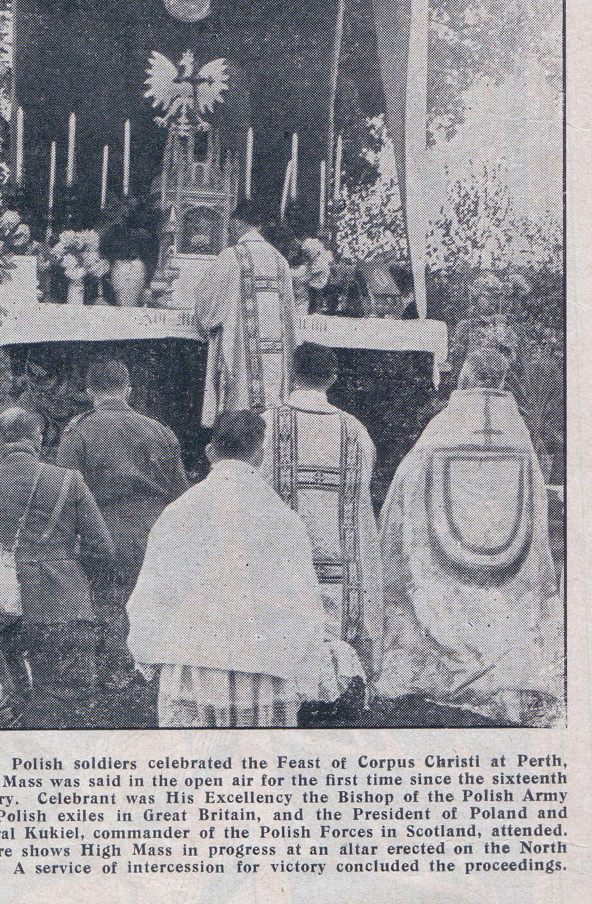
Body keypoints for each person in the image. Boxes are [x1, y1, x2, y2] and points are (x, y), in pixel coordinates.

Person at [127, 410, 363, 728]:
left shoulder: (179, 511)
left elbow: (155, 587)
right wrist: (303, 656)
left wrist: (148, 646)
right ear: (260, 456)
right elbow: (303, 596)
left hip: (194, 659)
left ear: (210, 452)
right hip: (263, 661)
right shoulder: (281, 517)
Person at [375, 347, 564, 726]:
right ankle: (504, 662)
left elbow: (408, 481)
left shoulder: (446, 424)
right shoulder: (517, 430)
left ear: (468, 376)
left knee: (441, 597)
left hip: (446, 553)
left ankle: (453, 660)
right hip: (505, 556)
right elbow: (534, 494)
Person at [0, 408, 115, 700]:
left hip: (4, 613)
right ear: (38, 439)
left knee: (20, 701)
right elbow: (103, 548)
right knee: (68, 701)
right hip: (64, 604)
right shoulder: (69, 481)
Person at [55, 359, 189, 677]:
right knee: (152, 600)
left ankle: (117, 673)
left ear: (90, 392)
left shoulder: (78, 432)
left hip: (103, 531)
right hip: (155, 531)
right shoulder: (159, 431)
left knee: (107, 601)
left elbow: (63, 494)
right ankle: (151, 672)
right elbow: (182, 495)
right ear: (128, 390)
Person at [260, 343, 383, 678]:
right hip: (341, 563)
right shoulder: (355, 431)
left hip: (283, 560)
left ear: (291, 373)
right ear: (333, 378)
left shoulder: (266, 425)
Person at [194, 199, 296, 426]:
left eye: (231, 226)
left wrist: (204, 325)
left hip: (239, 351)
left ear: (237, 223)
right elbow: (289, 313)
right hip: (275, 359)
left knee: (238, 409)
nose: (229, 231)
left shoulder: (231, 256)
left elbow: (205, 298)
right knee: (269, 413)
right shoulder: (279, 260)